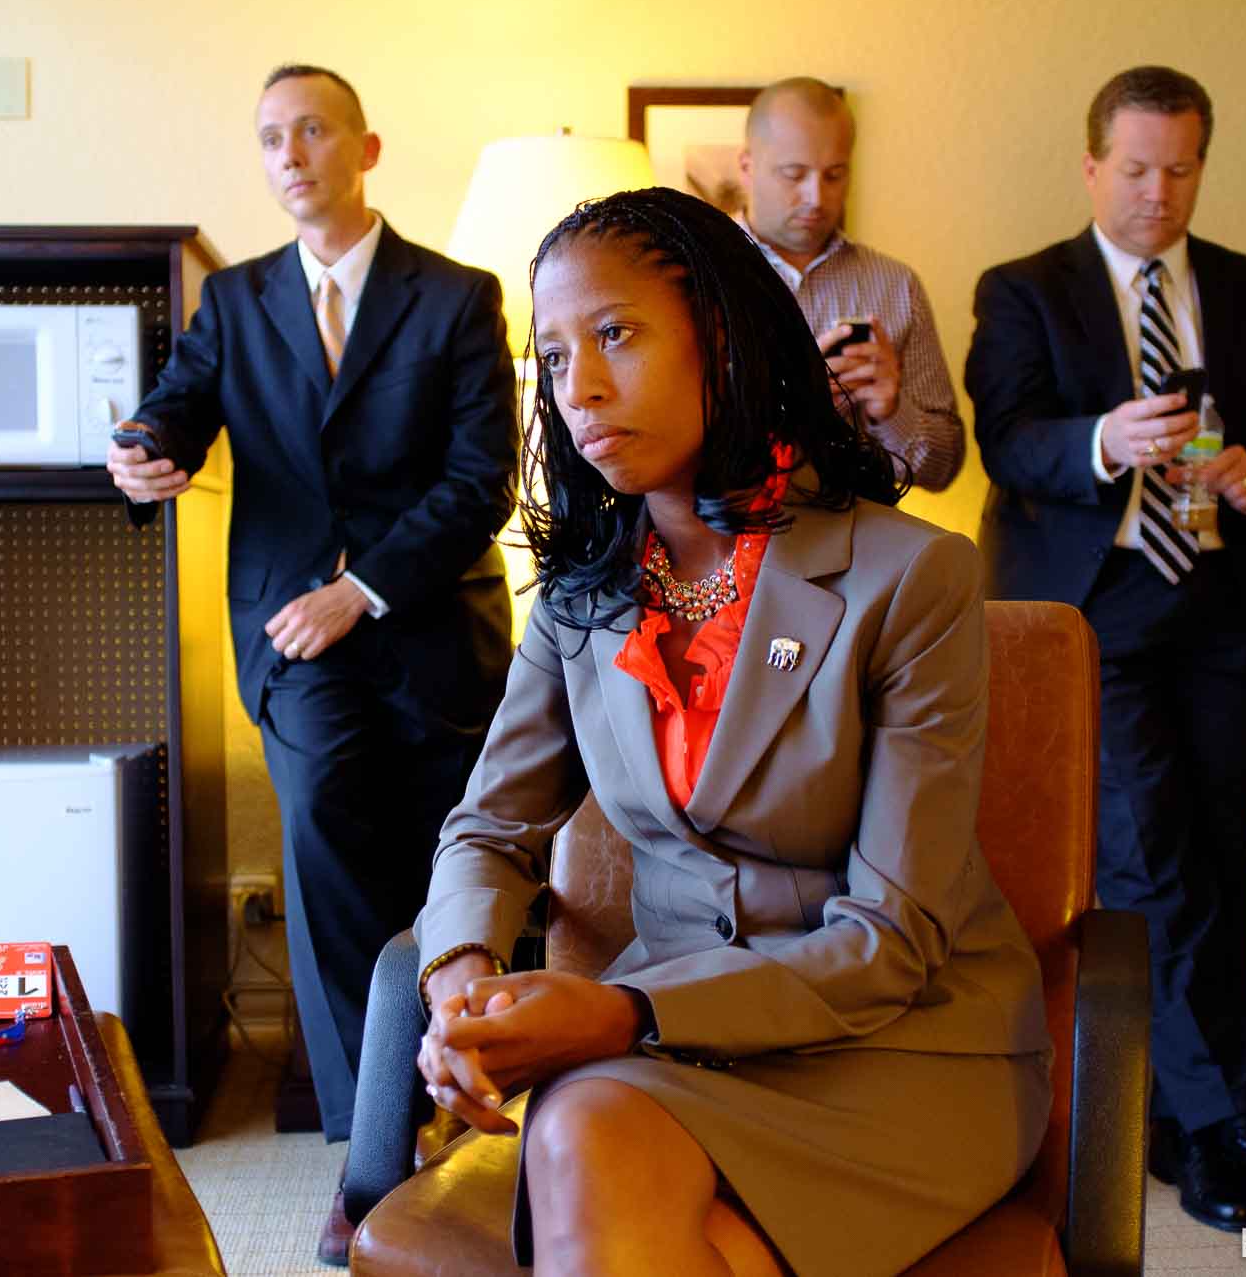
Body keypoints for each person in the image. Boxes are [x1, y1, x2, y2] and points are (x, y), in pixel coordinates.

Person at [412, 187, 1051, 1277]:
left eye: (615, 333)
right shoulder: (576, 601)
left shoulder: (910, 577)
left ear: (723, 337)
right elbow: (488, 828)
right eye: (557, 358)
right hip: (679, 1041)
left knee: (616, 1169)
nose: (583, 388)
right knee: (600, 1151)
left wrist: (616, 1011)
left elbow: (890, 941)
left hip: (895, 1044)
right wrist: (461, 980)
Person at [105, 63, 517, 1263]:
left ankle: (466, 1113)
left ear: (366, 147)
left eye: (313, 131)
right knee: (329, 841)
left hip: (432, 627)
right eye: (271, 138)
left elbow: (477, 481)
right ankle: (371, 1151)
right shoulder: (233, 302)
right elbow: (177, 407)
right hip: (295, 643)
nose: (290, 155)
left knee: (453, 878)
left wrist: (365, 588)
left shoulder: (455, 298)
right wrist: (143, 454)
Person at [965, 65, 1246, 1236]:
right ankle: (1242, 1122)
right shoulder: (1024, 289)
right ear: (1092, 166)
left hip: (1224, 609)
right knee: (1151, 865)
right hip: (1098, 611)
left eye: (1179, 168)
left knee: (1218, 860)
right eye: (1134, 168)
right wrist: (1102, 438)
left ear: (1201, 164)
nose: (1157, 191)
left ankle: (1188, 1137)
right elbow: (1008, 442)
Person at [736, 76, 965, 491]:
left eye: (835, 175)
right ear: (747, 166)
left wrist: (892, 411)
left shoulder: (896, 286)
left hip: (862, 545)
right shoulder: (688, 280)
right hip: (724, 542)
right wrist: (792, 406)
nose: (816, 198)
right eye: (794, 174)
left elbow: (944, 468)